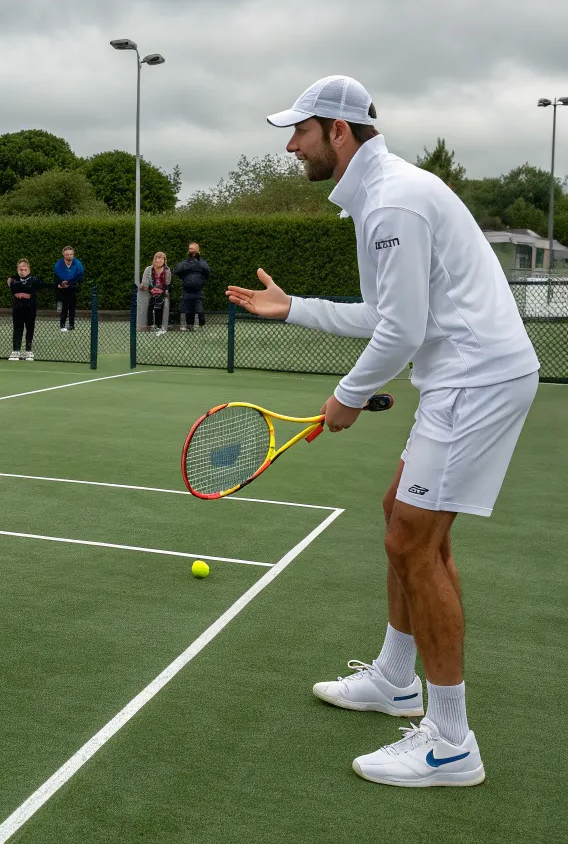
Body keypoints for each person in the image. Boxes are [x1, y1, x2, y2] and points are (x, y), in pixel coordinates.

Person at [227, 75, 539, 788]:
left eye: (300, 129)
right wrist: (295, 306)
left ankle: (451, 741)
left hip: (476, 379)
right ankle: (398, 679)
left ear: (339, 131)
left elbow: (402, 331)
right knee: (400, 515)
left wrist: (345, 398)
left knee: (413, 539)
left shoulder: (393, 198)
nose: (290, 143)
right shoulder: (379, 196)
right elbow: (387, 314)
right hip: (462, 375)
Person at [7, 258, 41, 360]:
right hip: (17, 308)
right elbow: (11, 284)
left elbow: (31, 291)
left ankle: (28, 351)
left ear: (29, 269)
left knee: (30, 328)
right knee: (18, 328)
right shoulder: (13, 279)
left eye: (25, 268)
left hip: (30, 308)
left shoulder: (34, 280)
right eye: (20, 269)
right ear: (17, 270)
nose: (22, 270)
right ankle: (16, 351)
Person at [173, 242, 210, 330]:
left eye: (192, 249)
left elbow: (207, 273)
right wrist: (184, 279)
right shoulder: (184, 263)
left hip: (198, 292)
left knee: (199, 310)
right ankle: (190, 327)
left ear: (198, 250)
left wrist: (200, 281)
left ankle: (201, 322)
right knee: (188, 311)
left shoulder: (203, 263)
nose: (190, 250)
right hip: (187, 291)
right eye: (189, 249)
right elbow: (176, 272)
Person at [139, 251, 172, 334]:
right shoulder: (148, 269)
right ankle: (148, 325)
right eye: (157, 258)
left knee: (160, 305)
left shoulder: (167, 270)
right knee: (148, 305)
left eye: (161, 258)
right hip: (150, 290)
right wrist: (149, 289)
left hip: (162, 291)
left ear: (164, 260)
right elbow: (145, 283)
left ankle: (158, 325)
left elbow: (168, 283)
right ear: (154, 259)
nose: (159, 260)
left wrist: (162, 291)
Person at [54, 246, 84, 331]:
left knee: (72, 308)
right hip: (62, 290)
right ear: (63, 254)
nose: (69, 256)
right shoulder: (59, 265)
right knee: (64, 308)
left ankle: (71, 325)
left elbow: (80, 278)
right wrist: (61, 284)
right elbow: (56, 279)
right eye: (67, 254)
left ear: (73, 254)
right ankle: (62, 325)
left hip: (72, 289)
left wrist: (72, 283)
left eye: (71, 254)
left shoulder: (77, 264)